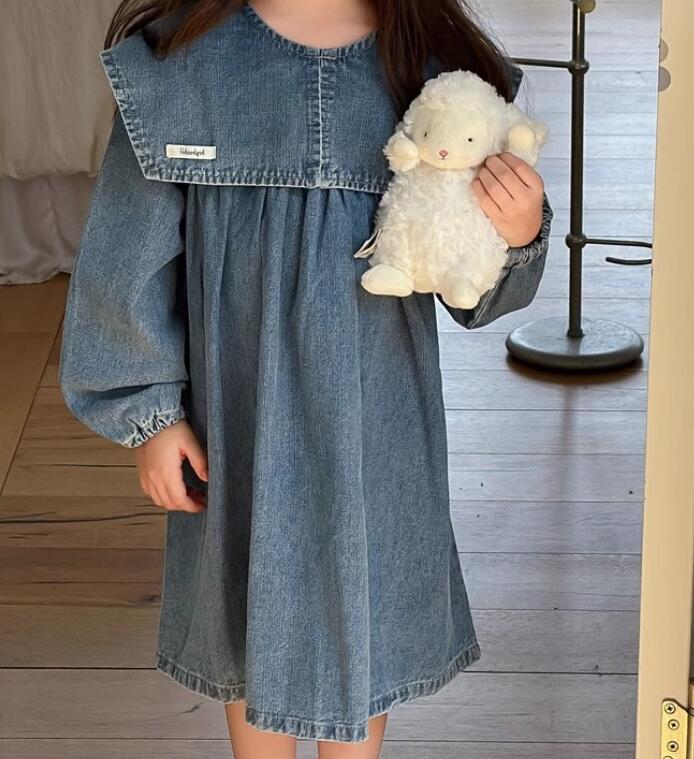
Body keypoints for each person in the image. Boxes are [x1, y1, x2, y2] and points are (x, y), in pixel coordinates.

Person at [58, 0, 553, 757]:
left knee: (366, 588)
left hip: (376, 413)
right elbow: (126, 257)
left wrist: (518, 233)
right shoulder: (179, 66)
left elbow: (468, 276)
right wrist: (150, 413)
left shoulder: (435, 74)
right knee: (247, 593)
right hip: (237, 411)